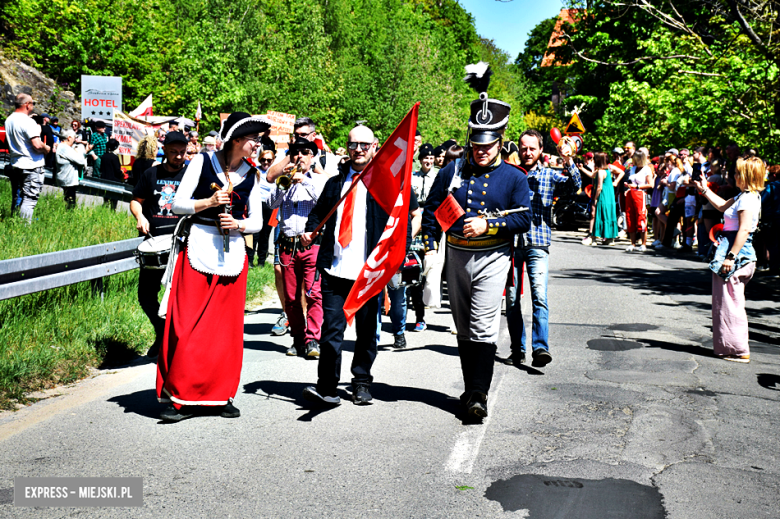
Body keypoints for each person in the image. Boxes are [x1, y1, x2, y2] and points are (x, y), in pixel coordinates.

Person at [421, 63, 532, 420]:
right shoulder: (452, 171)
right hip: (456, 256)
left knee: (484, 324)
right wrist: (430, 238)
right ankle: (470, 388)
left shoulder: (514, 177)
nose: (481, 151)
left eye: (489, 144)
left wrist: (489, 227)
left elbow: (524, 217)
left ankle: (478, 396)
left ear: (500, 140)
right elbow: (433, 206)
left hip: (493, 256)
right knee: (464, 326)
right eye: (476, 144)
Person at [156, 112, 269, 422]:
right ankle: (180, 396)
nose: (257, 146)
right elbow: (177, 204)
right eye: (253, 140)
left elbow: (258, 223)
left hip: (232, 253)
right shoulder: (202, 162)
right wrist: (208, 202)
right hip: (198, 248)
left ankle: (219, 395)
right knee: (188, 324)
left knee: (225, 331)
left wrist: (239, 224)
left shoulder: (253, 174)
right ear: (236, 140)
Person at [299, 124, 407, 407]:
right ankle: (327, 387)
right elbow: (318, 215)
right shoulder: (335, 183)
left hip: (367, 273)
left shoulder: (386, 183)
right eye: (352, 145)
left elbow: (403, 221)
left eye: (363, 145)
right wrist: (310, 231)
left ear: (375, 147)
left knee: (366, 332)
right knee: (331, 332)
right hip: (335, 270)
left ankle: (361, 382)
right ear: (346, 148)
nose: (357, 150)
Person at [506, 129, 581, 368]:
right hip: (512, 245)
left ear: (540, 151)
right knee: (511, 300)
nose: (527, 152)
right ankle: (517, 349)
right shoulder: (510, 176)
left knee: (540, 297)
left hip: (538, 243)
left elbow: (574, 186)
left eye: (532, 148)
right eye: (523, 148)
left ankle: (540, 348)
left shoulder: (549, 176)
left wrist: (569, 159)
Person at [694, 156, 765, 363]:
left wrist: (730, 257)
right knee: (726, 302)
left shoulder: (748, 198)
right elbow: (723, 206)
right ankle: (730, 347)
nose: (734, 176)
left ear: (747, 176)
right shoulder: (744, 196)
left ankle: (738, 349)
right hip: (736, 252)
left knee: (730, 304)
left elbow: (743, 230)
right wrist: (704, 189)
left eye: (737, 173)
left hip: (737, 254)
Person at [267, 137, 329, 358]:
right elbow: (271, 204)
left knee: (314, 294)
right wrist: (285, 183)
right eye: (296, 153)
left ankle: (313, 338)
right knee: (291, 298)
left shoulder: (319, 181)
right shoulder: (284, 180)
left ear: (312, 157)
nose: (300, 157)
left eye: (305, 153)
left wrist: (304, 181)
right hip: (287, 245)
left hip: (311, 245)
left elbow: (324, 202)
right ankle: (298, 339)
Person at [130, 131, 189, 358]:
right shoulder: (150, 174)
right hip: (154, 242)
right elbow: (136, 200)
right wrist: (140, 217)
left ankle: (176, 343)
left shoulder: (191, 174)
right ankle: (161, 330)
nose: (178, 156)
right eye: (173, 152)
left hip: (183, 243)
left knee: (177, 297)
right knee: (145, 295)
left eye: (182, 152)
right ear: (165, 150)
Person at [5, 93, 50, 223]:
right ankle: (24, 228)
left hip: (17, 163)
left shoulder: (9, 119)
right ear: (27, 105)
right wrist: (46, 149)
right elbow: (36, 145)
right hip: (31, 164)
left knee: (21, 195)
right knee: (30, 199)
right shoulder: (28, 121)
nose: (33, 106)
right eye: (32, 103)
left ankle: (17, 221)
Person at [624, 149, 654, 252]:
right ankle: (633, 243)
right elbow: (631, 181)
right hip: (631, 194)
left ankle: (643, 243)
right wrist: (628, 187)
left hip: (640, 194)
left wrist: (637, 186)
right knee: (629, 217)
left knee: (641, 218)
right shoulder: (633, 168)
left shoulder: (646, 169)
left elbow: (651, 184)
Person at [592, 152, 619, 244]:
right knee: (609, 215)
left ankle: (595, 237)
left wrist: (595, 198)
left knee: (600, 215)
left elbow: (599, 187)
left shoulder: (600, 172)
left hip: (603, 195)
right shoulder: (607, 170)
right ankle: (610, 238)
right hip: (610, 196)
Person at [55, 129, 86, 208]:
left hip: (67, 178)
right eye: (74, 138)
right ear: (69, 138)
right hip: (68, 179)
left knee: (69, 201)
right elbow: (81, 161)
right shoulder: (65, 148)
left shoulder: (63, 147)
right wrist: (78, 151)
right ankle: (68, 218)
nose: (75, 140)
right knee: (70, 203)